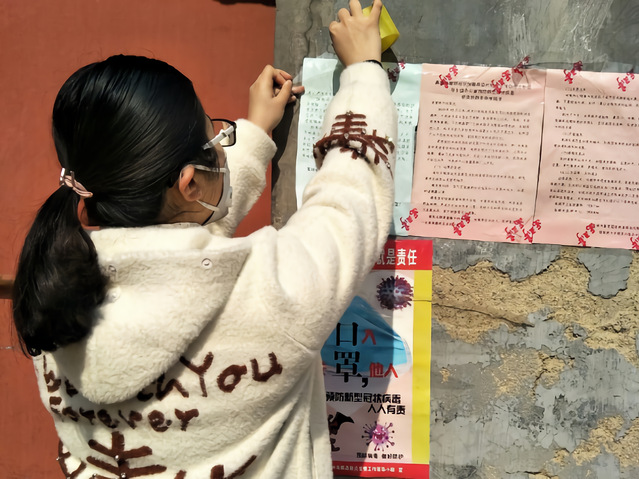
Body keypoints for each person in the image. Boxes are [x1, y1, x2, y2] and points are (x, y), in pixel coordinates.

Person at [12, 0, 397, 476]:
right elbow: (349, 204)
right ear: (190, 182)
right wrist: (363, 74)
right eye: (215, 139)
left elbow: (175, 255)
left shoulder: (55, 303)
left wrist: (254, 133)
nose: (222, 146)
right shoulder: (269, 293)